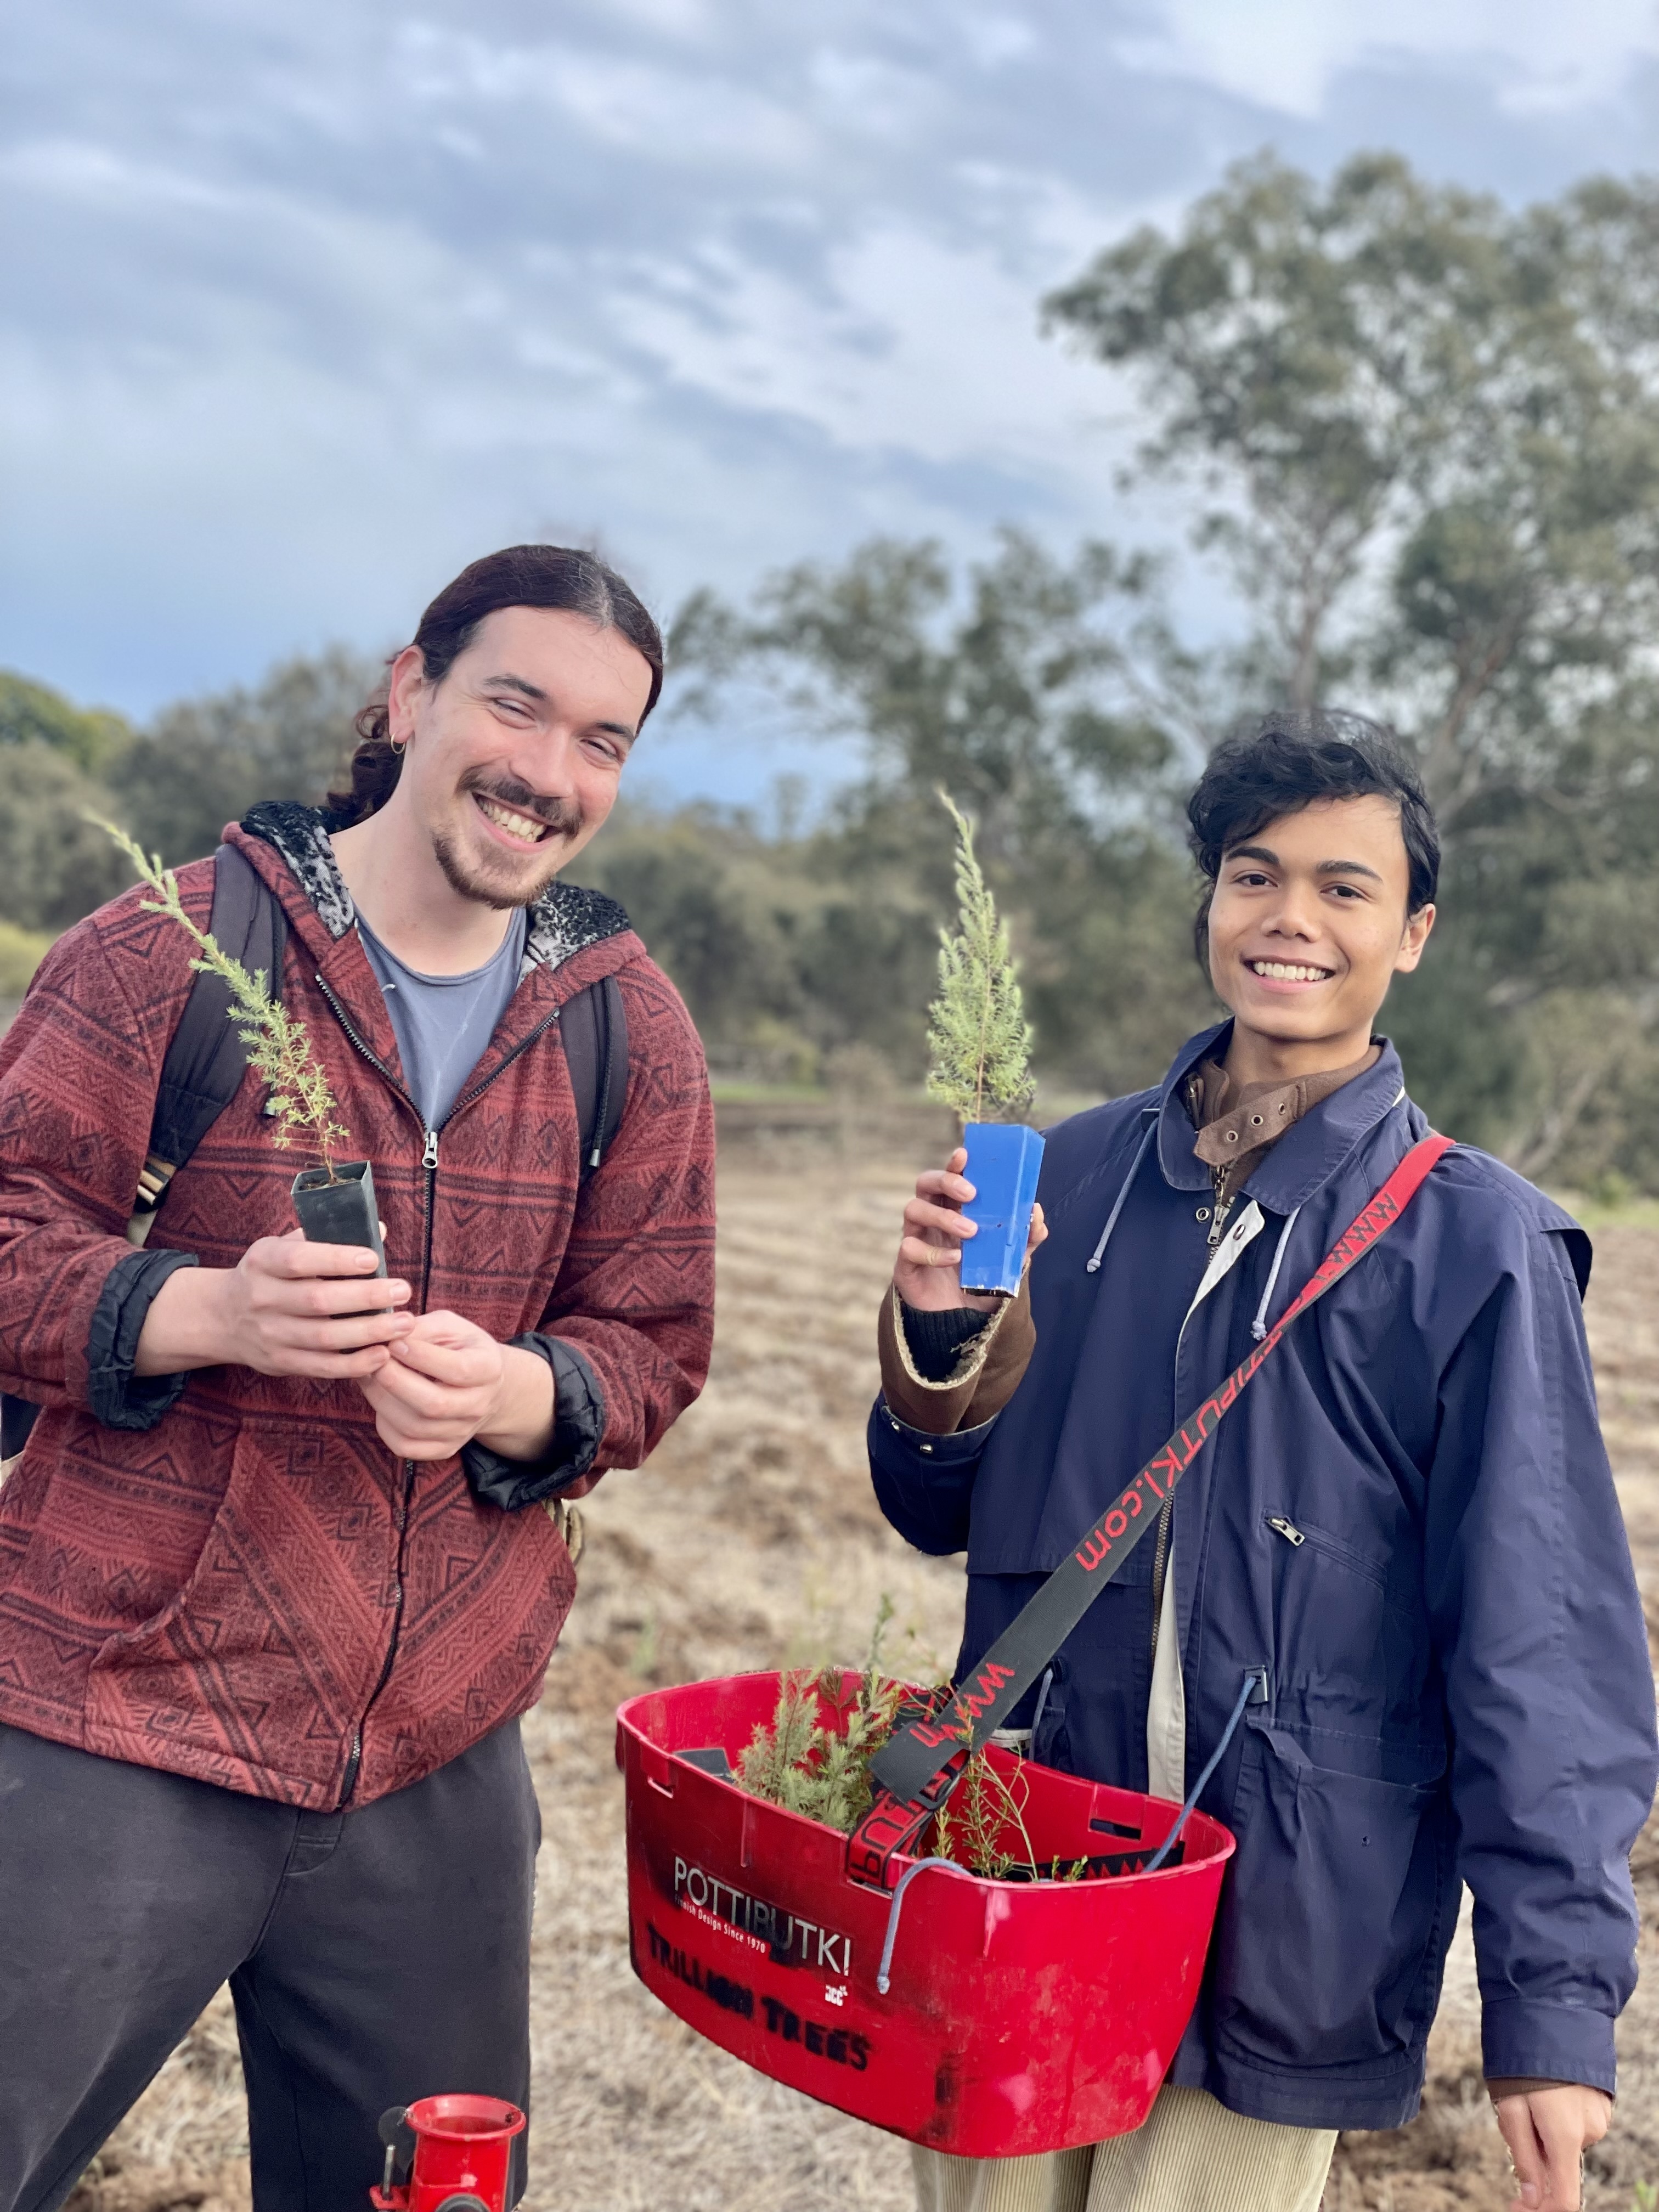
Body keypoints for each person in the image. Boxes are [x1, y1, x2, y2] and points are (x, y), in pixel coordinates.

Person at [0, 544, 716, 2211]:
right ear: (412, 693)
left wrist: (524, 1395)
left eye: (602, 741)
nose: (548, 773)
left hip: (432, 1766)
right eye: (516, 706)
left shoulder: (628, 1025)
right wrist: (199, 1310)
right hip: (119, 1717)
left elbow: (654, 1346)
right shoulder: (169, 950)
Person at [870, 712, 1657, 2212]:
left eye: (1345, 889)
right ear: (1211, 905)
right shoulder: (1071, 1178)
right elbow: (932, 1511)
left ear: (1412, 933)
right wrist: (936, 1346)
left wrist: (1552, 2013)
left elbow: (1537, 1646)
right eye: (1254, 875)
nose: (1290, 919)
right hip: (1026, 1881)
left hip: (1282, 1926)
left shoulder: (1472, 1245)